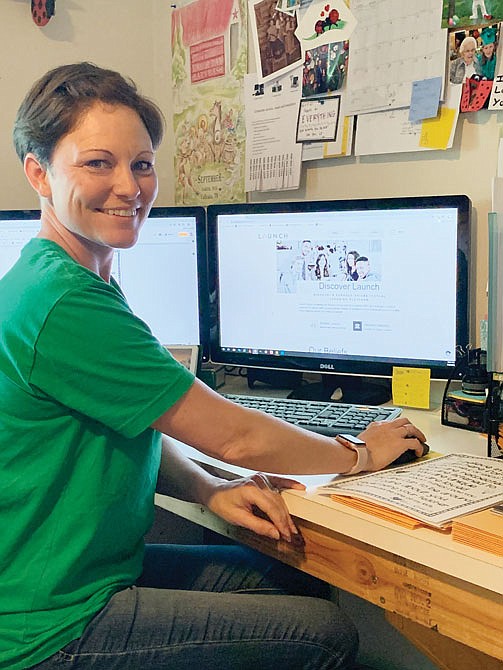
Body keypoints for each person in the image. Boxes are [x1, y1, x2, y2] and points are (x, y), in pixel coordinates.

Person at [1, 62, 426, 670]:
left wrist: (208, 489)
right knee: (326, 633)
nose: (129, 187)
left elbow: (138, 420)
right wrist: (360, 453)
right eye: (98, 163)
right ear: (38, 172)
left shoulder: (67, 278)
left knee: (292, 582)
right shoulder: (63, 303)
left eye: (141, 164)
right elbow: (238, 436)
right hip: (49, 623)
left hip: (78, 577)